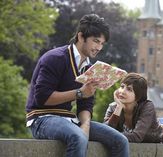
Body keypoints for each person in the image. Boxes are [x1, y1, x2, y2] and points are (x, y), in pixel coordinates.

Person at [26, 14, 129, 157]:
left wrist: (85, 124)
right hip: (41, 119)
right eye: (96, 41)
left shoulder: (90, 68)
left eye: (102, 43)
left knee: (121, 141)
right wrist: (79, 93)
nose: (99, 47)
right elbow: (42, 97)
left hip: (70, 120)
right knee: (78, 137)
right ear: (81, 37)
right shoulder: (55, 58)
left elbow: (86, 103)